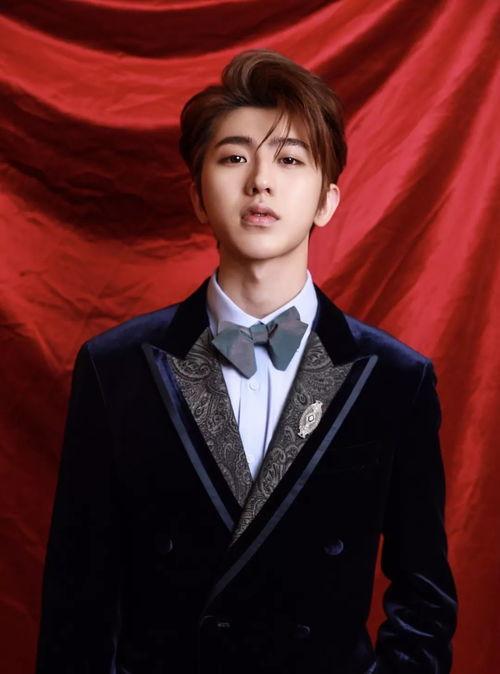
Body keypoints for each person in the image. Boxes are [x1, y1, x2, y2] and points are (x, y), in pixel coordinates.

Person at [35, 49, 457, 674]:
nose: (261, 181)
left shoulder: (395, 379)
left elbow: (425, 598)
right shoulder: (115, 368)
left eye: (290, 159)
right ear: (198, 196)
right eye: (234, 157)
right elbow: (78, 602)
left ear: (327, 201)